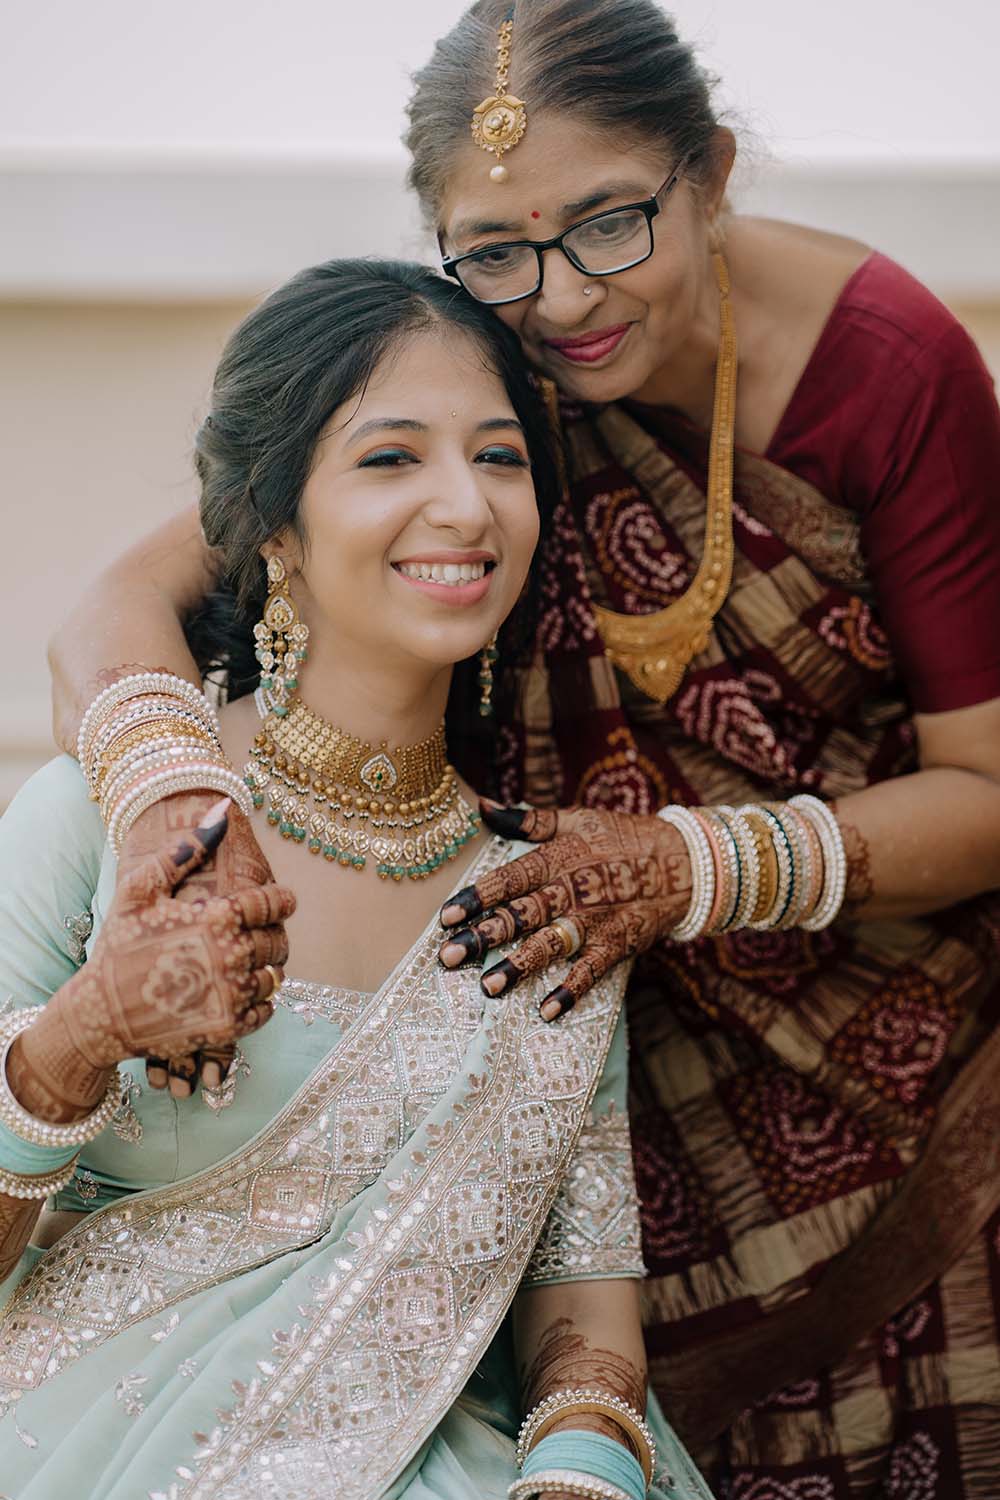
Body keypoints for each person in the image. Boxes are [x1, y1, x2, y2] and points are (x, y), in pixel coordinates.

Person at [46, 1, 1000, 1494]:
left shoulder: (882, 368)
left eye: (613, 222)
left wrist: (684, 867)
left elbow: (990, 789)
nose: (562, 298)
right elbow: (120, 605)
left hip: (847, 1041)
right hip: (521, 994)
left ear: (712, 172)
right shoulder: (474, 361)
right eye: (495, 247)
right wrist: (180, 814)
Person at [0, 258, 716, 1500]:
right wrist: (79, 1039)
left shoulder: (546, 900)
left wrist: (576, 1473)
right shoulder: (103, 821)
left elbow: (583, 1326)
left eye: (499, 459)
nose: (465, 506)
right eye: (391, 458)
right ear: (273, 525)